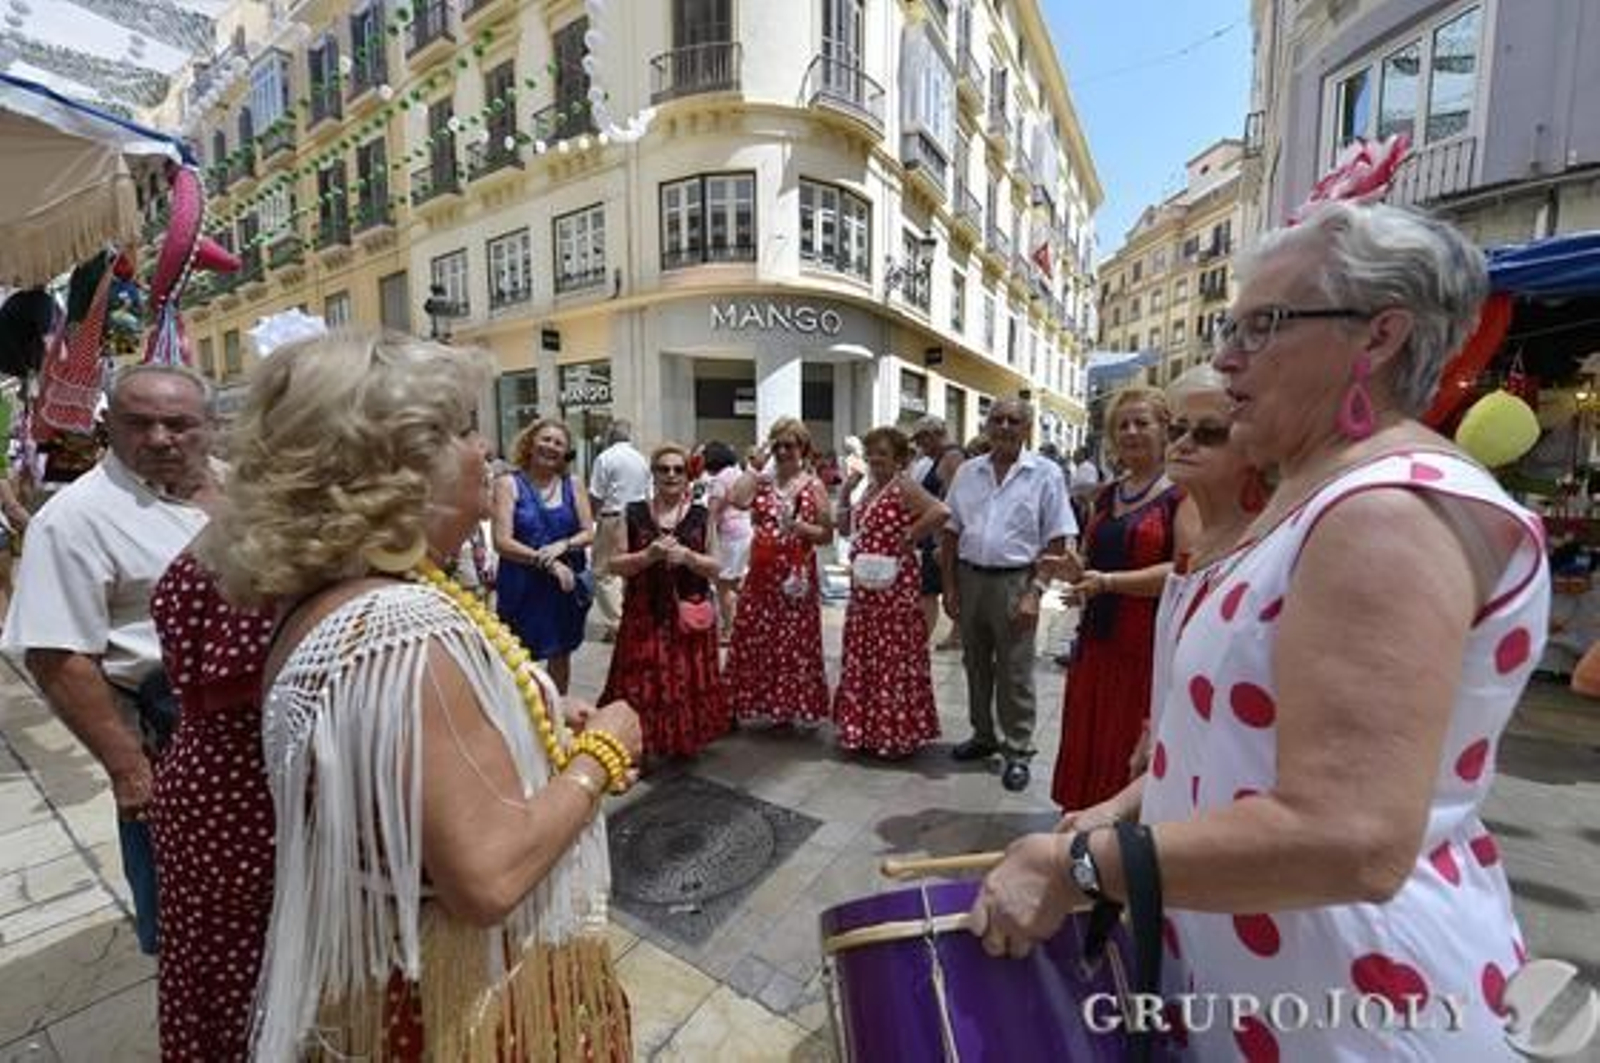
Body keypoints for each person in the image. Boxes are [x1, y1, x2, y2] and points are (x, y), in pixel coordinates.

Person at [971, 203, 1547, 1059]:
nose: (1226, 356)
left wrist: (1079, 866)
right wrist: (1128, 806)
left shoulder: (1384, 510)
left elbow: (1348, 833)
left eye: (1262, 325)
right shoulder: (1318, 495)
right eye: (1227, 327)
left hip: (1356, 1006)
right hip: (1265, 985)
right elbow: (1242, 742)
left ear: (1378, 337)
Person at [198, 330, 638, 1059]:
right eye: (465, 428)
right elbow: (489, 874)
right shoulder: (402, 630)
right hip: (463, 1000)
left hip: (395, 975)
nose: (486, 447)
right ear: (400, 467)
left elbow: (408, 767)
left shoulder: (343, 601)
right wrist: (602, 753)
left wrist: (532, 718)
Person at [1, 365, 218, 956]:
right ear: (109, 428)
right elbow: (57, 654)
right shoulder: (74, 520)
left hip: (254, 744)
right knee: (187, 924)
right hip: (168, 743)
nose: (159, 437)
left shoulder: (235, 489)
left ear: (209, 426)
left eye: (178, 423)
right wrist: (128, 769)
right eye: (137, 423)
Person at [148, 548, 276, 1059]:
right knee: (241, 974)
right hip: (240, 798)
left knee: (208, 964)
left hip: (208, 783)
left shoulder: (216, 547)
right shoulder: (260, 567)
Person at [1048, 386, 1184, 811]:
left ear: (1166, 430)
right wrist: (1075, 570)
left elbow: (1184, 572)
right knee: (1091, 738)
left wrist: (1107, 582)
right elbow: (1093, 559)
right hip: (1098, 641)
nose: (1130, 432)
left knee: (1126, 745)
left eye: (1142, 423)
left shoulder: (1182, 494)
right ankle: (1082, 828)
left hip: (1144, 648)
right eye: (1121, 425)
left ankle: (1114, 845)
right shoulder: (1108, 494)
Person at [940, 398, 1076, 792]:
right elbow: (951, 531)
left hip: (1016, 581)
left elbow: (1056, 539)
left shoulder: (1045, 474)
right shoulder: (968, 471)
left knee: (1015, 672)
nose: (1003, 426)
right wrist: (949, 586)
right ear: (986, 425)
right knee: (975, 663)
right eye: (996, 419)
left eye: (1013, 420)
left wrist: (1036, 591)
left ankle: (1017, 751)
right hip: (970, 578)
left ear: (1027, 428)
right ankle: (983, 736)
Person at [600, 443, 729, 761]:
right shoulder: (633, 513)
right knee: (640, 683)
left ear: (688, 476)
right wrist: (648, 556)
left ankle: (680, 740)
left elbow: (716, 566)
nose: (671, 475)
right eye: (663, 469)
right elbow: (613, 564)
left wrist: (687, 557)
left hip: (688, 615)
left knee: (684, 682)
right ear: (652, 474)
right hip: (644, 614)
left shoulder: (701, 516)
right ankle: (638, 745)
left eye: (678, 469)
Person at [832, 427, 949, 757]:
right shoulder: (869, 488)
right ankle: (866, 730)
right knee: (867, 654)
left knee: (891, 656)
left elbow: (941, 511)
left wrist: (911, 535)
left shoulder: (904, 485)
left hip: (894, 587)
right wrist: (845, 493)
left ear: (898, 458)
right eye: (871, 453)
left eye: (882, 453)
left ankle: (893, 733)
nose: (875, 459)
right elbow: (843, 529)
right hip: (866, 586)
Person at [722, 417, 833, 726]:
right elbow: (737, 499)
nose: (784, 451)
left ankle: (785, 707)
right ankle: (743, 701)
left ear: (803, 448)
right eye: (778, 445)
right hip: (762, 573)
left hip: (796, 575)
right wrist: (755, 466)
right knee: (752, 636)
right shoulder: (763, 482)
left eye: (790, 445)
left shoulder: (814, 486)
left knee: (793, 641)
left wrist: (798, 527)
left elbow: (826, 534)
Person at [494, 418, 595, 694]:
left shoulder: (572, 484)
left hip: (563, 587)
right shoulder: (508, 484)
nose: (551, 447)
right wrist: (548, 563)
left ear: (566, 452)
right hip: (522, 582)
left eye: (558, 443)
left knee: (560, 653)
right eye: (545, 439)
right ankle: (520, 718)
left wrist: (564, 544)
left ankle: (557, 714)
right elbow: (502, 541)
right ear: (530, 442)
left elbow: (588, 532)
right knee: (516, 655)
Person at [588, 421, 652, 641]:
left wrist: (593, 517)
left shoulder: (605, 458)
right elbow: (648, 493)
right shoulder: (641, 459)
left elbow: (596, 493)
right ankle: (633, 618)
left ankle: (617, 623)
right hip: (639, 517)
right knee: (631, 569)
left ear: (609, 435)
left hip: (613, 516)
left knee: (603, 571)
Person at [909, 415, 967, 649]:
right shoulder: (941, 458)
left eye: (922, 440)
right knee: (931, 588)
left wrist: (945, 541)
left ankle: (944, 635)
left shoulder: (952, 457)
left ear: (934, 435)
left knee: (931, 588)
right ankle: (950, 635)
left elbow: (957, 500)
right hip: (937, 535)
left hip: (943, 536)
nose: (920, 447)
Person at [703, 441, 750, 641]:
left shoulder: (720, 479)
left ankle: (730, 630)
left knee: (724, 584)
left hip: (729, 534)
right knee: (738, 581)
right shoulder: (739, 474)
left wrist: (706, 539)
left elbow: (713, 512)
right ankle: (741, 625)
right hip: (746, 530)